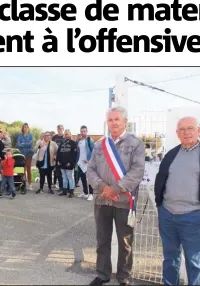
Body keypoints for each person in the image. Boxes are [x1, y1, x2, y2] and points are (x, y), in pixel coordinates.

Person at [87, 106, 145, 286]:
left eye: (117, 119)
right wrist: (103, 187)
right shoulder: (99, 145)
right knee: (102, 239)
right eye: (110, 120)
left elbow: (137, 171)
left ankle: (124, 277)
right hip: (102, 199)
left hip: (124, 201)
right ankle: (102, 274)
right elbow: (90, 169)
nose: (113, 123)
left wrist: (117, 188)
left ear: (125, 121)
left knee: (125, 242)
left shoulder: (136, 144)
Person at [154, 116, 200, 286]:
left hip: (193, 217)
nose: (186, 133)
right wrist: (160, 206)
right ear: (177, 133)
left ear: (198, 130)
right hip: (168, 215)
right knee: (170, 258)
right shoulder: (171, 154)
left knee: (193, 262)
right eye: (182, 129)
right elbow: (160, 180)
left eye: (190, 128)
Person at [56, 129, 79, 198]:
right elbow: (58, 153)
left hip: (69, 164)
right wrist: (58, 161)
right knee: (64, 178)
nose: (66, 135)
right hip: (62, 164)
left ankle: (71, 192)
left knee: (70, 178)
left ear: (70, 135)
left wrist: (71, 162)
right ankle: (64, 191)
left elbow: (74, 154)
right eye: (65, 134)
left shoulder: (73, 143)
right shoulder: (62, 143)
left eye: (67, 134)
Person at [76, 125, 95, 201]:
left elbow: (94, 151)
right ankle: (85, 192)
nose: (83, 133)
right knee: (82, 178)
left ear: (87, 131)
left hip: (88, 163)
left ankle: (91, 194)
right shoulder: (79, 141)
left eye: (84, 131)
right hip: (80, 163)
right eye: (82, 131)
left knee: (89, 179)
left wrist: (89, 160)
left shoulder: (89, 140)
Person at [52, 125, 65, 191]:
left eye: (61, 128)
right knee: (58, 173)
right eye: (58, 128)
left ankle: (65, 188)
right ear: (57, 129)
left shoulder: (65, 136)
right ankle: (61, 187)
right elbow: (52, 147)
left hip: (64, 157)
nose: (60, 129)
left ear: (63, 129)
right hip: (56, 157)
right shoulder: (54, 137)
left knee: (64, 173)